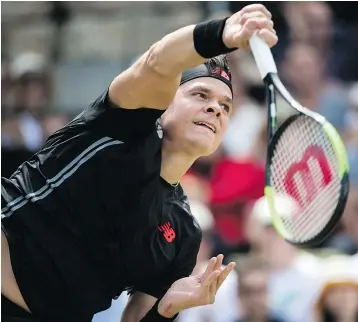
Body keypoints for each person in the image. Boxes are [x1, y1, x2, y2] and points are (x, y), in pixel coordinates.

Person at [1, 4, 277, 322]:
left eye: (225, 106)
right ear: (162, 102)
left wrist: (166, 309)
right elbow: (157, 62)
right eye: (200, 95)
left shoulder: (183, 234)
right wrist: (220, 33)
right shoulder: (119, 129)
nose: (215, 109)